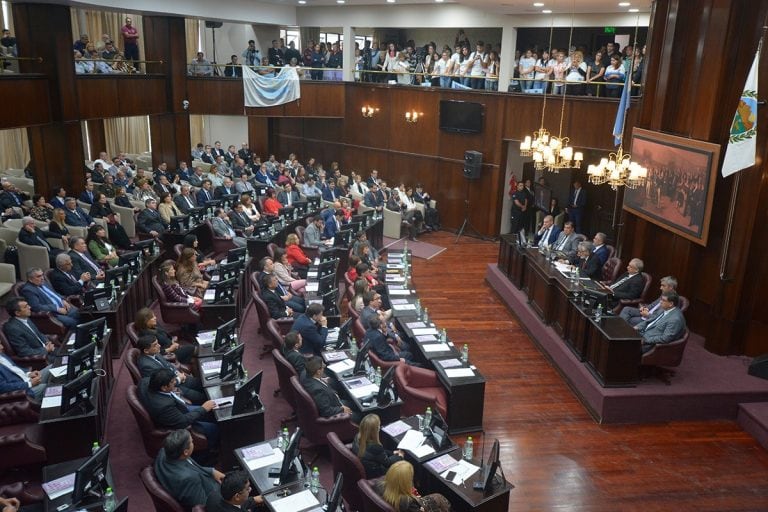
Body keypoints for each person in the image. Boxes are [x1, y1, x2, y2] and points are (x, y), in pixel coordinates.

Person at [154, 430, 224, 509]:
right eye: (192, 442)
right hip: (215, 495)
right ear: (186, 452)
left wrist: (212, 471)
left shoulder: (164, 452)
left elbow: (190, 465)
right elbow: (203, 505)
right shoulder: (189, 479)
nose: (193, 442)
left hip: (204, 482)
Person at [136, 334, 205, 404]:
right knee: (201, 397)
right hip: (173, 387)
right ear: (146, 351)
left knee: (202, 382)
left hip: (176, 378)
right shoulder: (147, 366)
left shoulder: (154, 353)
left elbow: (168, 365)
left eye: (157, 343)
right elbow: (160, 384)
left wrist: (178, 373)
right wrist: (179, 379)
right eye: (155, 345)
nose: (159, 346)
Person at [375, 461, 450, 512]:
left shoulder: (378, 485)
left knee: (438, 497)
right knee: (441, 499)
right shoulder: (408, 502)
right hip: (414, 506)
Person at [2, 298, 57, 364]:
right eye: (25, 307)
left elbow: (39, 334)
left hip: (49, 350)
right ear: (17, 313)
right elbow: (23, 351)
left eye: (28, 305)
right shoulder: (12, 328)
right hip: (41, 358)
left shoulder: (25, 318)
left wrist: (47, 342)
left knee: (69, 351)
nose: (30, 307)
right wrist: (45, 349)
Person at [353, 414, 404, 479]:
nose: (379, 427)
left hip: (368, 466)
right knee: (403, 465)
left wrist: (392, 453)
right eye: (378, 426)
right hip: (376, 473)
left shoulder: (357, 436)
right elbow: (387, 463)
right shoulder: (375, 447)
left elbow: (379, 454)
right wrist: (399, 456)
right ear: (375, 430)